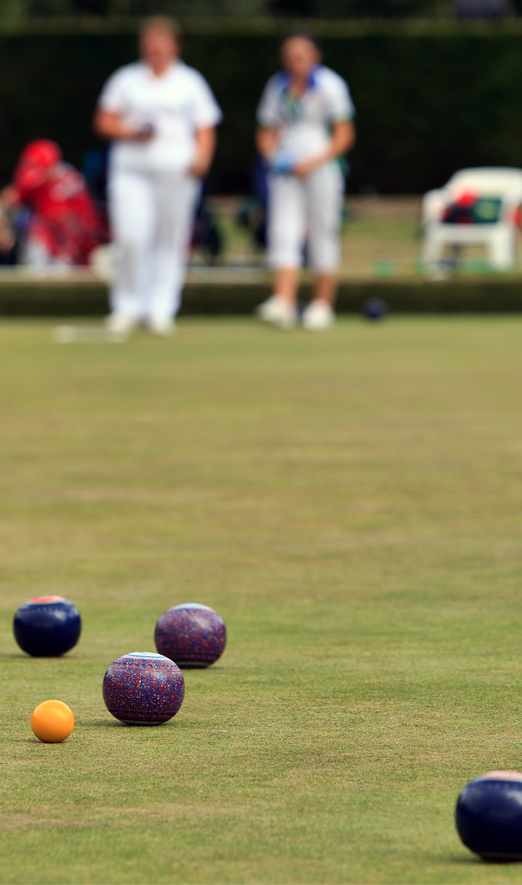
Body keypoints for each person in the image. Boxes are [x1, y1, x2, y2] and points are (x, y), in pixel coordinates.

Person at [94, 16, 222, 337]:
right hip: (132, 170)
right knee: (132, 238)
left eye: (161, 45)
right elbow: (104, 121)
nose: (156, 51)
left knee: (170, 239)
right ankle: (127, 306)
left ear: (175, 47)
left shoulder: (190, 81)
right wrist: (130, 131)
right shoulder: (126, 79)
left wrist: (202, 158)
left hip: (176, 171)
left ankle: (161, 309)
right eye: (150, 46)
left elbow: (205, 126)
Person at [255, 32, 356, 331]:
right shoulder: (277, 86)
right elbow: (266, 129)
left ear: (315, 56)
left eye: (302, 55)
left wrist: (312, 162)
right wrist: (272, 157)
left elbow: (343, 134)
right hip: (286, 167)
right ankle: (283, 301)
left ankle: (322, 304)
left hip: (322, 164)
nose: (295, 61)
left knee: (323, 228)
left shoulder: (331, 85)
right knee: (283, 230)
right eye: (290, 55)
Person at [1, 139, 101, 267]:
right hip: (49, 240)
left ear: (54, 165)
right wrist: (4, 229)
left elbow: (71, 220)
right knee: (32, 224)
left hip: (75, 243)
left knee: (42, 227)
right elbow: (9, 198)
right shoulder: (36, 179)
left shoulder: (68, 181)